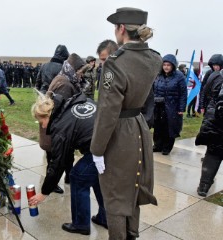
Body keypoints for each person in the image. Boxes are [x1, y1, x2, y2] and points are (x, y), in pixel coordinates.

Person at [90, 7, 162, 240]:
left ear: (121, 29)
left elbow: (108, 111)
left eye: (115, 27)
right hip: (138, 127)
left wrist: (97, 149)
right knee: (133, 188)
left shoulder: (115, 62)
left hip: (120, 133)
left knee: (114, 197)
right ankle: (132, 233)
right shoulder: (154, 58)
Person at [30, 92, 107, 235]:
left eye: (41, 123)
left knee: (77, 177)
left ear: (47, 116)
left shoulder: (60, 127)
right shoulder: (69, 106)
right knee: (95, 177)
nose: (43, 127)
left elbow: (57, 163)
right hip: (112, 141)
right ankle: (106, 217)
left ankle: (80, 224)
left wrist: (44, 192)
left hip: (103, 148)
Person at [46, 53, 86, 190]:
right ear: (74, 69)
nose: (82, 75)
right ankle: (53, 184)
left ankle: (68, 177)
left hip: (56, 127)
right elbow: (61, 110)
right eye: (80, 71)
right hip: (59, 127)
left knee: (64, 155)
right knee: (59, 156)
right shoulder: (65, 84)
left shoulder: (62, 78)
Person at [34, 45, 69, 193]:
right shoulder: (63, 69)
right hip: (56, 108)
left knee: (48, 144)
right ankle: (57, 179)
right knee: (59, 145)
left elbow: (37, 84)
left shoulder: (45, 66)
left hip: (43, 106)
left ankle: (56, 176)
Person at [195, 54, 223, 197]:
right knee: (214, 152)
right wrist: (204, 107)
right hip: (217, 118)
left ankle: (204, 185)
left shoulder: (217, 76)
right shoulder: (215, 76)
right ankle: (204, 185)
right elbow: (206, 93)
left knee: (213, 152)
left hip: (215, 118)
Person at [153, 54, 187, 155]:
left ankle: (167, 147)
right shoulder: (158, 75)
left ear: (173, 66)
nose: (166, 67)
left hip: (172, 107)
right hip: (158, 106)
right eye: (164, 65)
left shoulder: (179, 76)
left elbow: (183, 93)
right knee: (158, 127)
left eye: (168, 65)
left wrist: (181, 108)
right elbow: (153, 89)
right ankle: (158, 145)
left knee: (169, 128)